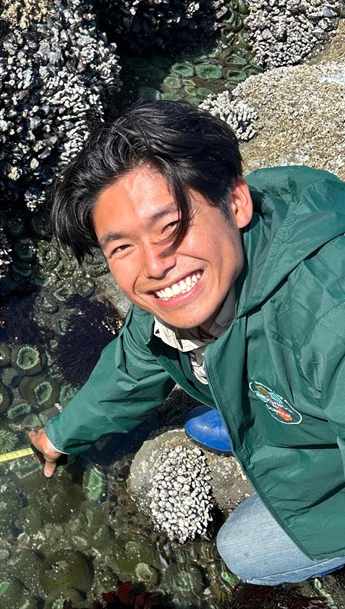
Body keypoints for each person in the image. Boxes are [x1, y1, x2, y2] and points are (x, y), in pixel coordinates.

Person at [28, 99, 345, 585]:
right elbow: (133, 367)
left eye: (171, 227)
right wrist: (61, 434)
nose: (154, 265)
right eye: (123, 247)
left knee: (243, 552)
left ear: (236, 202)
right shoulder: (188, 287)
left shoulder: (329, 322)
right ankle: (257, 415)